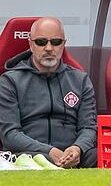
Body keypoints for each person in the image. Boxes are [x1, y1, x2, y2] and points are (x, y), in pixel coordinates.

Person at [0, 17, 97, 168]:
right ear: (31, 44)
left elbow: (89, 128)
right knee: (33, 160)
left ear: (64, 44)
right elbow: (10, 135)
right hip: (29, 155)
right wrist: (49, 151)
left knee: (101, 156)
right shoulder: (9, 82)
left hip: (74, 155)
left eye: (56, 42)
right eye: (41, 42)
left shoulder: (80, 80)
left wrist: (78, 148)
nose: (49, 48)